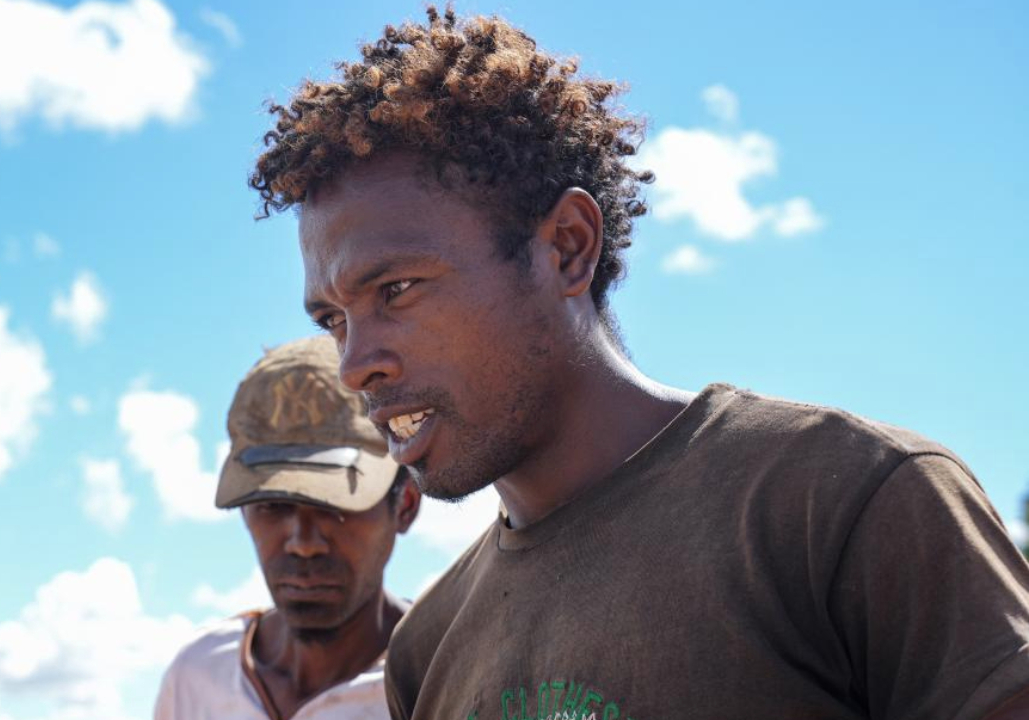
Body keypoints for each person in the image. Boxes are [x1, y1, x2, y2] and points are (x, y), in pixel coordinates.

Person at [249, 7, 1029, 720]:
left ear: (568, 247)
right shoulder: (426, 651)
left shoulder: (843, 505)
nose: (354, 365)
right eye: (332, 319)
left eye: (396, 290)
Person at [153, 335, 420, 720]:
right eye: (273, 506)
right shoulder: (197, 678)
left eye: (334, 507)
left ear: (405, 504)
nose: (303, 543)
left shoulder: (445, 678)